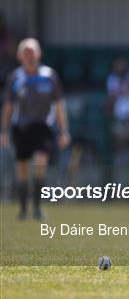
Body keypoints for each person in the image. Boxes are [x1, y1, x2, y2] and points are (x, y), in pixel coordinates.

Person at [0, 38, 70, 220]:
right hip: (21, 127)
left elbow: (59, 105)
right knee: (22, 167)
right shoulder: (15, 78)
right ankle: (23, 209)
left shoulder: (49, 75)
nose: (29, 56)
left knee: (40, 163)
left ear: (39, 54)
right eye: (26, 52)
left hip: (43, 126)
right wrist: (4, 131)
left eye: (32, 52)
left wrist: (63, 131)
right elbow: (8, 106)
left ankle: (37, 207)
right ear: (19, 56)